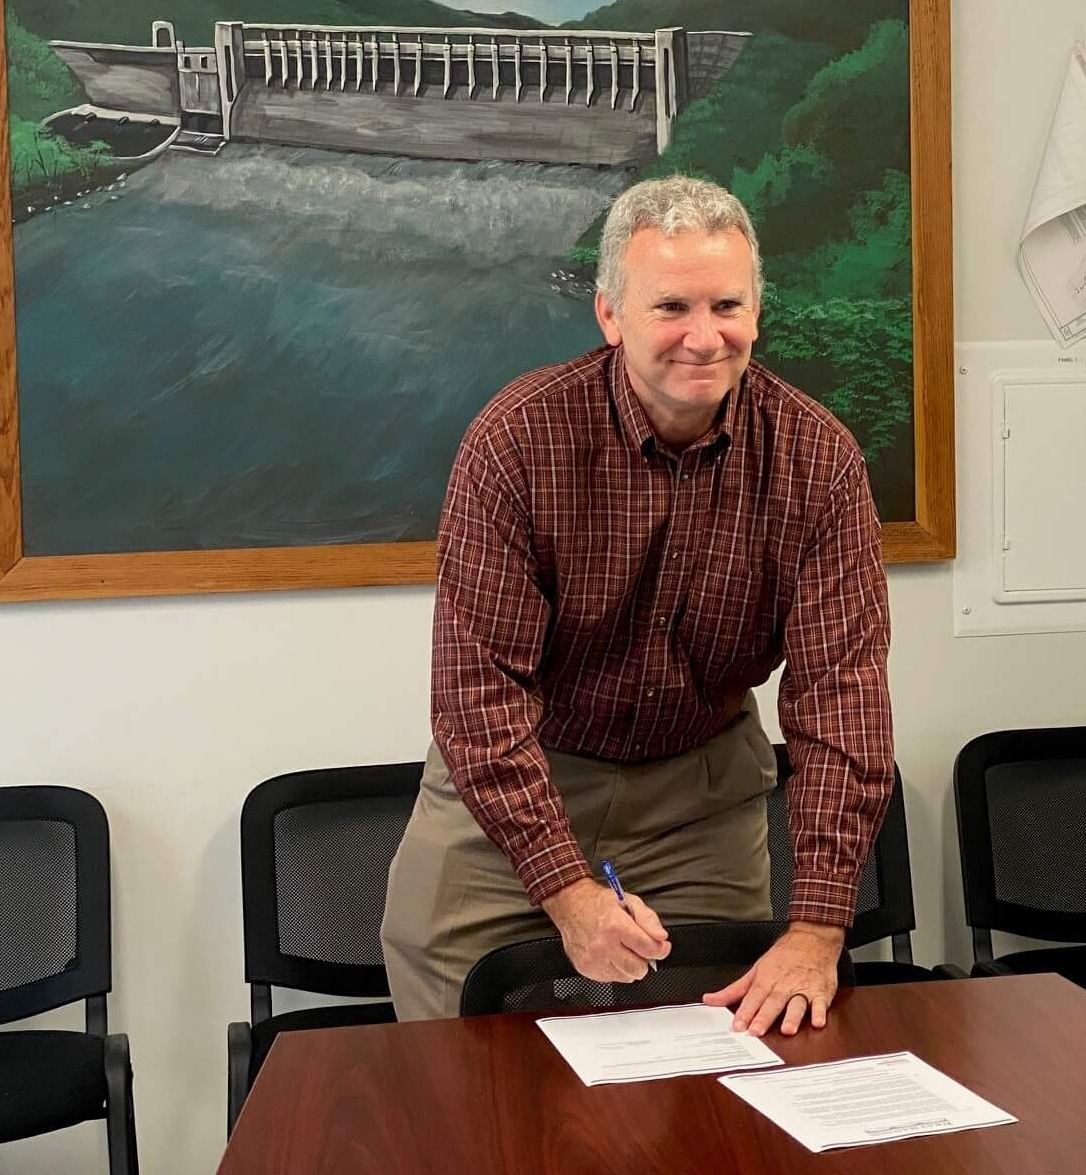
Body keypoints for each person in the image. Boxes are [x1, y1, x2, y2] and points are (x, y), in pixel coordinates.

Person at [381, 174, 893, 1035]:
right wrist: (567, 893)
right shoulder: (519, 439)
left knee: (720, 1060)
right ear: (611, 315)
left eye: (727, 304)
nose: (705, 337)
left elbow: (842, 701)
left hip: (700, 789)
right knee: (454, 1062)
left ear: (757, 311)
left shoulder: (819, 460)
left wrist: (818, 927)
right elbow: (479, 696)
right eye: (671, 308)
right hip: (522, 777)